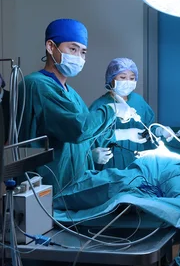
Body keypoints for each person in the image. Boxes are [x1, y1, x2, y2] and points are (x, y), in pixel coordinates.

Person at [18, 18, 139, 193]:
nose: (79, 57)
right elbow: (78, 130)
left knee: (136, 182)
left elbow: (86, 135)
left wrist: (117, 137)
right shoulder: (37, 85)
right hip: (48, 187)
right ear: (51, 47)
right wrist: (112, 110)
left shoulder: (70, 93)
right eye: (73, 49)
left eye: (83, 52)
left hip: (73, 181)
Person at [89, 58, 174, 169]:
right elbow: (89, 137)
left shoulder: (138, 101)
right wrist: (92, 154)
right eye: (123, 77)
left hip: (137, 160)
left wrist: (159, 131)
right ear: (111, 78)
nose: (128, 82)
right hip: (110, 163)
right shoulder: (100, 106)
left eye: (132, 78)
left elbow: (147, 128)